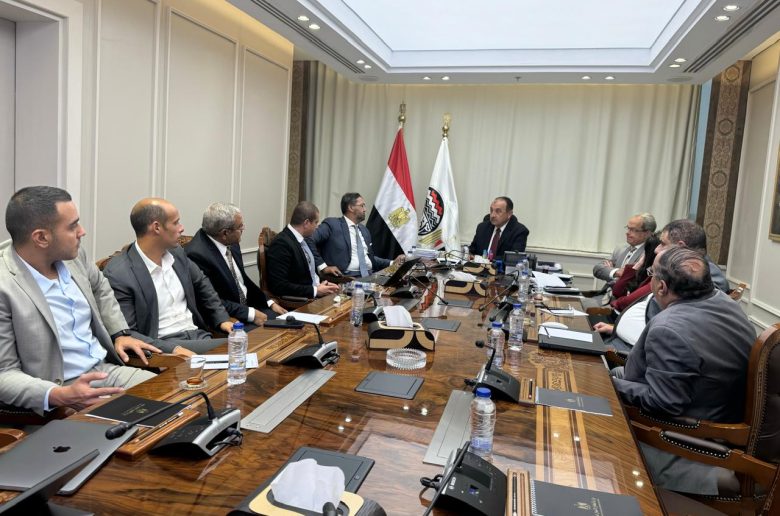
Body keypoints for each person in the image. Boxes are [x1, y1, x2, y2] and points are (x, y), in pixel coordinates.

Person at [0, 186, 157, 414]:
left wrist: (119, 333)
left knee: (181, 399)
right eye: (72, 226)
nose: (82, 232)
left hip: (104, 370)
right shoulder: (5, 285)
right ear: (41, 237)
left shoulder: (73, 256)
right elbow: (4, 374)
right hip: (58, 389)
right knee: (146, 427)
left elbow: (100, 287)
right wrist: (58, 395)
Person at [612, 247, 755, 495]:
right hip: (715, 407)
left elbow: (664, 402)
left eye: (651, 274)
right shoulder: (725, 303)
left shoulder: (669, 328)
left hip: (684, 438)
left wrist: (610, 384)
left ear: (662, 287)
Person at [104, 198, 233, 355]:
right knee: (240, 350)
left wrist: (222, 319)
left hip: (199, 335)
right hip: (164, 347)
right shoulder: (119, 273)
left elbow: (202, 284)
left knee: (246, 348)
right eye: (176, 223)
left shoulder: (177, 253)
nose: (181, 228)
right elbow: (126, 333)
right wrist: (174, 350)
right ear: (156, 227)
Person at [186, 203, 287, 327]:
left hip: (250, 307)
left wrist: (269, 302)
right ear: (225, 233)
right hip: (229, 318)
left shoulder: (231, 242)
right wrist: (250, 314)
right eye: (240, 227)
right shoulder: (196, 255)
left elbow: (242, 281)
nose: (244, 229)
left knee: (288, 323)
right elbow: (209, 300)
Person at [309, 193, 397, 277]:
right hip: (346, 277)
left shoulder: (364, 230)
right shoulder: (332, 224)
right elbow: (309, 239)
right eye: (362, 205)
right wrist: (323, 267)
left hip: (371, 275)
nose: (365, 209)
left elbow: (369, 259)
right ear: (351, 207)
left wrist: (392, 263)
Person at [266, 201, 340, 299]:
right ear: (306, 223)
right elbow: (279, 286)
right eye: (316, 222)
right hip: (302, 302)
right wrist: (315, 291)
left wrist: (322, 286)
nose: (317, 226)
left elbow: (307, 275)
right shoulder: (281, 243)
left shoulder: (303, 239)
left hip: (315, 294)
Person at [654, 219, 729, 292]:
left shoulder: (710, 279)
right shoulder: (681, 269)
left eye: (663, 244)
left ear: (680, 247)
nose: (656, 250)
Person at [593, 213, 656, 283]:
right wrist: (617, 272)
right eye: (628, 228)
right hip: (609, 289)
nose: (627, 233)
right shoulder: (620, 248)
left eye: (633, 230)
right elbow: (597, 269)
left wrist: (610, 271)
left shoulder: (649, 253)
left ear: (647, 233)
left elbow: (635, 280)